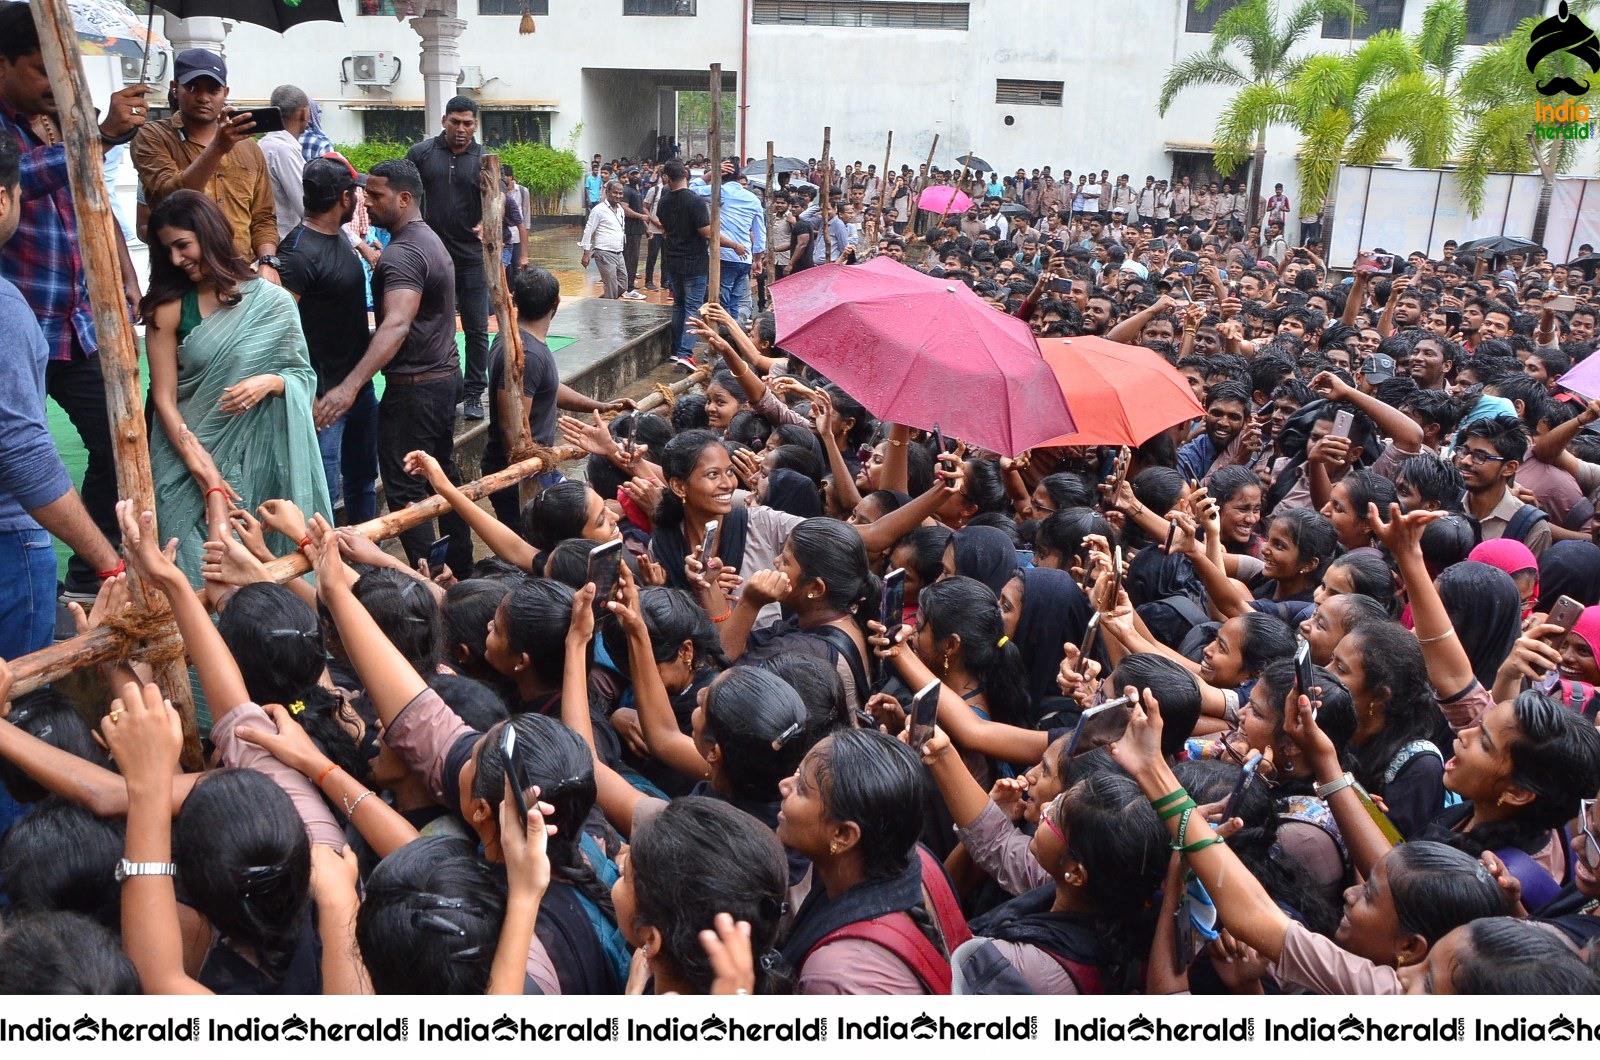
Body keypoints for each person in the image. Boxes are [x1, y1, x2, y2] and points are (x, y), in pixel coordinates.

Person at [0, 1, 148, 598]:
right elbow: (30, 177)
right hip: (19, 324)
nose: (52, 81)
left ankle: (87, 578)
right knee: (20, 456)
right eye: (40, 68)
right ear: (2, 64)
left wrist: (121, 267)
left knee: (122, 438)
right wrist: (101, 136)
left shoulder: (61, 115)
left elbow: (89, 198)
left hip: (78, 320)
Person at [141, 189, 330, 585]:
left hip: (258, 459)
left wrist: (273, 381)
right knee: (190, 569)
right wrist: (199, 464)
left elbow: (302, 375)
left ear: (208, 234)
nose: (177, 259)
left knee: (258, 563)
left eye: (183, 245)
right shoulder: (169, 307)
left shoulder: (273, 302)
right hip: (184, 456)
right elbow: (163, 397)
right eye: (168, 251)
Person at [311, 158, 473, 577]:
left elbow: (397, 323)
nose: (368, 200)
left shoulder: (404, 253)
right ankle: (462, 569)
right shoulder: (425, 240)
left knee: (405, 490)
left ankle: (429, 579)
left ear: (404, 198)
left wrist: (348, 386)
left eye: (377, 195)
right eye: (366, 193)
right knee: (443, 479)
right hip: (442, 381)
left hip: (415, 390)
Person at [0, 133, 120, 660]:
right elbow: (23, 455)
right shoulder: (7, 308)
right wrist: (107, 561)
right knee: (20, 705)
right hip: (9, 543)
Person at [481, 266, 634, 526]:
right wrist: (527, 474)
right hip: (522, 472)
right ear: (556, 303)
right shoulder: (526, 354)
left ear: (515, 300)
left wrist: (602, 405)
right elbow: (511, 428)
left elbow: (550, 389)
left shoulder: (523, 344)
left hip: (536, 467)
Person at [277, 154, 379, 523]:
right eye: (356, 192)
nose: (360, 199)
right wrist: (314, 390)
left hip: (358, 387)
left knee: (363, 480)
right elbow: (281, 330)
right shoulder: (297, 253)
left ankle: (366, 560)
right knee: (324, 492)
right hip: (324, 399)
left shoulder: (340, 237)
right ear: (343, 198)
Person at [130, 49, 279, 273]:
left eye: (213, 89)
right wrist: (218, 147)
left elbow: (263, 217)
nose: (203, 98)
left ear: (225, 92)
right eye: (192, 88)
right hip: (181, 274)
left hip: (241, 273)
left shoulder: (249, 148)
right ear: (174, 87)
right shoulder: (153, 137)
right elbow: (170, 197)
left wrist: (268, 263)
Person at [406, 96, 489, 419]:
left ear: (475, 126)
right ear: (444, 121)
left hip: (471, 258)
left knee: (476, 329)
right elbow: (406, 195)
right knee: (432, 324)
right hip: (430, 258)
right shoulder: (421, 155)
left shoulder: (484, 159)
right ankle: (442, 386)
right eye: (455, 122)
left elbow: (494, 200)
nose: (460, 129)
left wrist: (488, 222)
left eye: (467, 123)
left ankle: (472, 394)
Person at [656, 159, 746, 369]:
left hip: (673, 259)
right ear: (686, 176)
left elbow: (664, 227)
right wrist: (733, 244)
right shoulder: (694, 201)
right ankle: (686, 353)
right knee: (692, 307)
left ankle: (676, 349)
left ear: (666, 178)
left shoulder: (664, 201)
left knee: (679, 304)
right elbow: (707, 232)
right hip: (694, 262)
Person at [692, 159, 766, 323]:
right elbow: (760, 233)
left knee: (723, 306)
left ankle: (724, 342)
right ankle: (733, 340)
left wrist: (711, 174)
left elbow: (691, 190)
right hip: (744, 258)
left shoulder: (719, 192)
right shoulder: (753, 199)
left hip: (724, 255)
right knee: (734, 303)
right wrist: (758, 259)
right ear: (739, 176)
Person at [259, 84, 310, 240]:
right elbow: (308, 207)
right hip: (283, 243)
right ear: (304, 113)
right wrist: (358, 244)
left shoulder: (262, 144)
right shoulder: (283, 150)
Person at [580, 180, 628, 300]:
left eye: (620, 193)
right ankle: (608, 314)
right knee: (611, 287)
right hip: (604, 252)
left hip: (618, 252)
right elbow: (588, 230)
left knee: (623, 284)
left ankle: (600, 303)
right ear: (607, 192)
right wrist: (586, 253)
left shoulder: (621, 210)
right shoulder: (599, 210)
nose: (618, 196)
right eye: (615, 192)